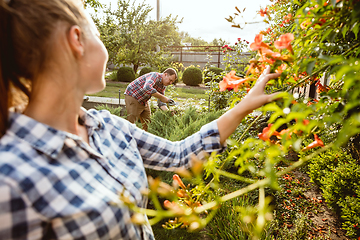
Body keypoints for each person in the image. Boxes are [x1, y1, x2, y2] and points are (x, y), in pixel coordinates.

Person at [0, 0, 280, 239]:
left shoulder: (107, 126)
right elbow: (148, 90)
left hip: (141, 103)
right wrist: (163, 99)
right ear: (76, 40)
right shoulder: (10, 180)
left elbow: (180, 155)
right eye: (97, 34)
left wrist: (244, 105)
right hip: (135, 98)